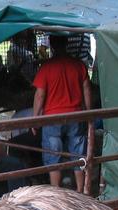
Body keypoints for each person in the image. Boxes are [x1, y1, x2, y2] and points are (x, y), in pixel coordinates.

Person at [32, 34, 92, 192]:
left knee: (53, 155)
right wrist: (88, 113)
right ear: (66, 43)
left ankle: (55, 192)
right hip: (75, 115)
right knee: (78, 154)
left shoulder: (46, 68)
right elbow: (87, 89)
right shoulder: (78, 65)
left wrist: (35, 119)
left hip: (53, 118)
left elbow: (40, 95)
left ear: (51, 45)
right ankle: (81, 191)